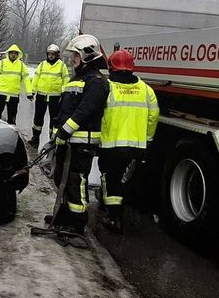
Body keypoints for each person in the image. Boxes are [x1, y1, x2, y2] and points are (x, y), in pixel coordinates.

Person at [50, 34, 109, 236]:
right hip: (69, 141)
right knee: (61, 177)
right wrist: (56, 130)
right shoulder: (78, 78)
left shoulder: (97, 82)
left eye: (75, 54)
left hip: (82, 142)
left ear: (87, 55)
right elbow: (65, 108)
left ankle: (77, 223)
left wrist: (65, 131)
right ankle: (65, 214)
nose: (72, 58)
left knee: (76, 182)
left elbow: (84, 111)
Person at [97, 49, 159, 232]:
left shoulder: (107, 88)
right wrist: (147, 140)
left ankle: (113, 217)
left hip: (111, 145)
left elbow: (98, 114)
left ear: (112, 67)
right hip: (136, 147)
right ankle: (118, 214)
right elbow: (153, 117)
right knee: (124, 179)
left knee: (110, 178)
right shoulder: (146, 90)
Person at [27, 43, 69, 148]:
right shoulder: (42, 64)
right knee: (38, 117)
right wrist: (32, 91)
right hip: (41, 95)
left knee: (54, 119)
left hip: (55, 97)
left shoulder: (61, 66)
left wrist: (64, 93)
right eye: (49, 54)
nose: (50, 56)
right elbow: (36, 78)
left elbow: (66, 80)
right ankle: (35, 138)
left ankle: (52, 139)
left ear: (57, 55)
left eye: (53, 54)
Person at [0, 44, 29, 126]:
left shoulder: (21, 66)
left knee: (12, 118)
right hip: (0, 94)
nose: (13, 54)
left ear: (18, 54)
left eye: (15, 53)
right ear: (8, 53)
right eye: (12, 53)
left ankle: (11, 135)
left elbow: (26, 79)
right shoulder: (1, 64)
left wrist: (29, 93)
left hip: (14, 96)